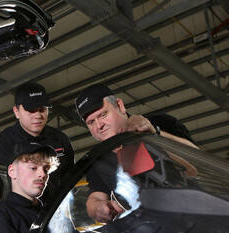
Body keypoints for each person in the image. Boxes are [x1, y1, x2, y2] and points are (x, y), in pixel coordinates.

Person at [75, 83, 198, 223]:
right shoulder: (99, 162)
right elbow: (94, 199)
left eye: (103, 115)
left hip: (197, 217)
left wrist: (155, 133)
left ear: (120, 106)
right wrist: (99, 208)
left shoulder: (161, 123)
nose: (99, 126)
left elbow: (198, 163)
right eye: (91, 122)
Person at [0, 82, 74, 191]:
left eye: (42, 109)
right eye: (31, 110)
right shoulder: (4, 143)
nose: (38, 115)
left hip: (56, 205)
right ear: (16, 112)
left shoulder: (60, 139)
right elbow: (1, 186)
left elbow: (70, 178)